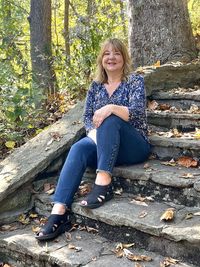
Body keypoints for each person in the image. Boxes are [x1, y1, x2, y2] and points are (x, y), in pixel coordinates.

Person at [36, 38, 151, 241]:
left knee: (110, 118)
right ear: (101, 59)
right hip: (103, 144)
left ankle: (103, 183)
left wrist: (111, 108)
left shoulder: (135, 81)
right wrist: (94, 133)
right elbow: (88, 118)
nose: (111, 57)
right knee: (79, 148)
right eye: (107, 53)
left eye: (116, 53)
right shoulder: (96, 86)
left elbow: (138, 114)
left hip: (134, 146)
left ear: (124, 58)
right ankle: (59, 212)